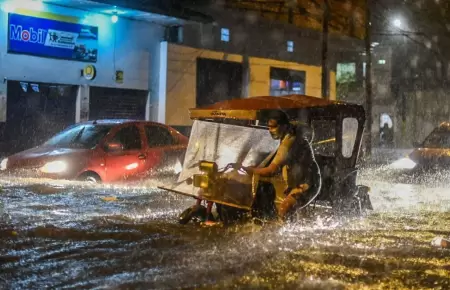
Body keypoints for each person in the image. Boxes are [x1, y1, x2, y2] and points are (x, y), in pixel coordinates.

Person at [242, 110, 317, 221]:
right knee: (293, 216)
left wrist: (250, 170)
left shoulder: (289, 141)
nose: (270, 130)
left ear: (283, 126)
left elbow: (271, 170)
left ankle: (281, 236)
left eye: (273, 127)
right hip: (297, 182)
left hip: (307, 184)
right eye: (268, 127)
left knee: (284, 209)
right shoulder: (289, 133)